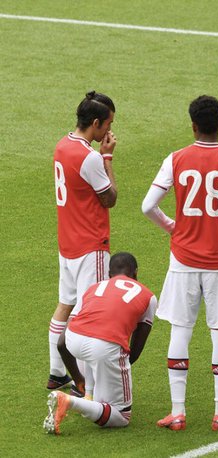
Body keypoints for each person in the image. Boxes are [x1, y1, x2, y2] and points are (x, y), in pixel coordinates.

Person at [142, 95, 218, 431]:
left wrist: (173, 227)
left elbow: (148, 205)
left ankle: (177, 412)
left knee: (181, 328)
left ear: (193, 125)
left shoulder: (176, 159)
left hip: (183, 258)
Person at [49, 91, 118, 394]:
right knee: (90, 312)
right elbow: (110, 197)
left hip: (67, 242)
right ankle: (87, 384)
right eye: (108, 124)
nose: (109, 131)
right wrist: (107, 158)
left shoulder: (62, 145)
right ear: (95, 123)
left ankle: (56, 372)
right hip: (91, 244)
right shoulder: (89, 157)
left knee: (65, 305)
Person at [43, 253, 156, 434]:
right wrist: (116, 371)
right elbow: (135, 349)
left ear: (109, 274)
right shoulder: (148, 296)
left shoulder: (93, 288)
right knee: (121, 415)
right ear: (136, 273)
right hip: (105, 346)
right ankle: (70, 401)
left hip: (73, 339)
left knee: (92, 348)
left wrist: (78, 378)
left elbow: (61, 343)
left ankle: (86, 394)